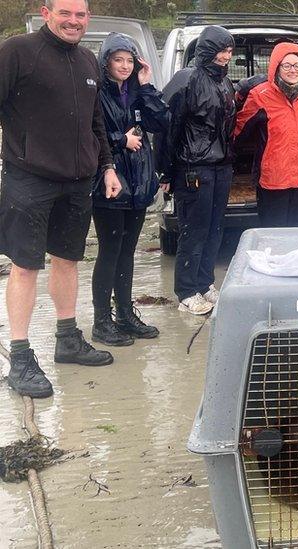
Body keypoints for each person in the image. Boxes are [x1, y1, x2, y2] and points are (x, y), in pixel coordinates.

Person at [0, 0, 123, 398]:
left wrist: (107, 166)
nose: (74, 21)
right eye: (65, 13)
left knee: (68, 260)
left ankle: (67, 339)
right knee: (25, 266)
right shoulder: (18, 51)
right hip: (28, 178)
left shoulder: (88, 61)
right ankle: (20, 356)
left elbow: (96, 122)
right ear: (46, 11)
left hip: (77, 181)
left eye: (81, 15)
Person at [90, 33, 167, 346]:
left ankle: (124, 313)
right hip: (108, 181)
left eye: (129, 60)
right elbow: (90, 133)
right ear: (106, 61)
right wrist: (120, 140)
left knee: (127, 252)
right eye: (118, 59)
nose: (124, 66)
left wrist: (147, 87)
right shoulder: (96, 92)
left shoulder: (137, 90)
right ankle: (101, 320)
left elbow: (161, 121)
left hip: (138, 181)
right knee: (109, 251)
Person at [158, 25, 236, 315]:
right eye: (220, 49)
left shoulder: (225, 83)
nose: (225, 56)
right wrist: (165, 171)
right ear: (206, 49)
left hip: (221, 166)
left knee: (215, 228)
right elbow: (167, 129)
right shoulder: (186, 80)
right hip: (193, 168)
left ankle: (205, 283)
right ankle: (186, 291)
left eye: (229, 50)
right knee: (194, 230)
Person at [234, 42, 298, 228]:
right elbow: (239, 131)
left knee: (297, 227)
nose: (292, 70)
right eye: (286, 65)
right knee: (273, 231)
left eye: (297, 65)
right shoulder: (259, 94)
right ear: (276, 67)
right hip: (274, 177)